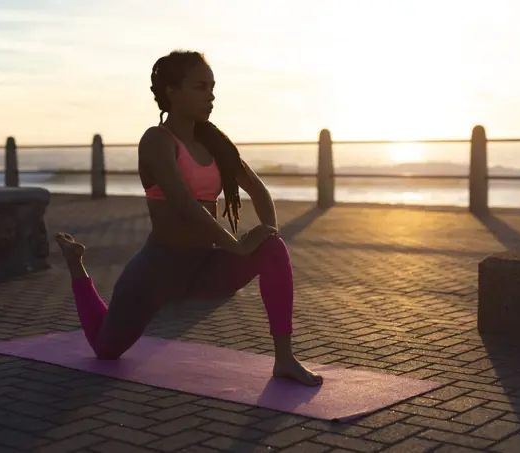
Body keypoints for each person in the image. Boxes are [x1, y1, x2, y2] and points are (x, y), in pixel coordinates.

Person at [55, 50, 323, 386]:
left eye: (212, 87)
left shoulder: (214, 143)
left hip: (203, 267)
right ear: (172, 90)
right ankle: (76, 264)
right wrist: (238, 247)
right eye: (200, 87)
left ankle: (284, 359)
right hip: (157, 270)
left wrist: (268, 232)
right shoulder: (156, 141)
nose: (210, 96)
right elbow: (184, 204)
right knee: (106, 350)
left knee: (273, 249)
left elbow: (258, 189)